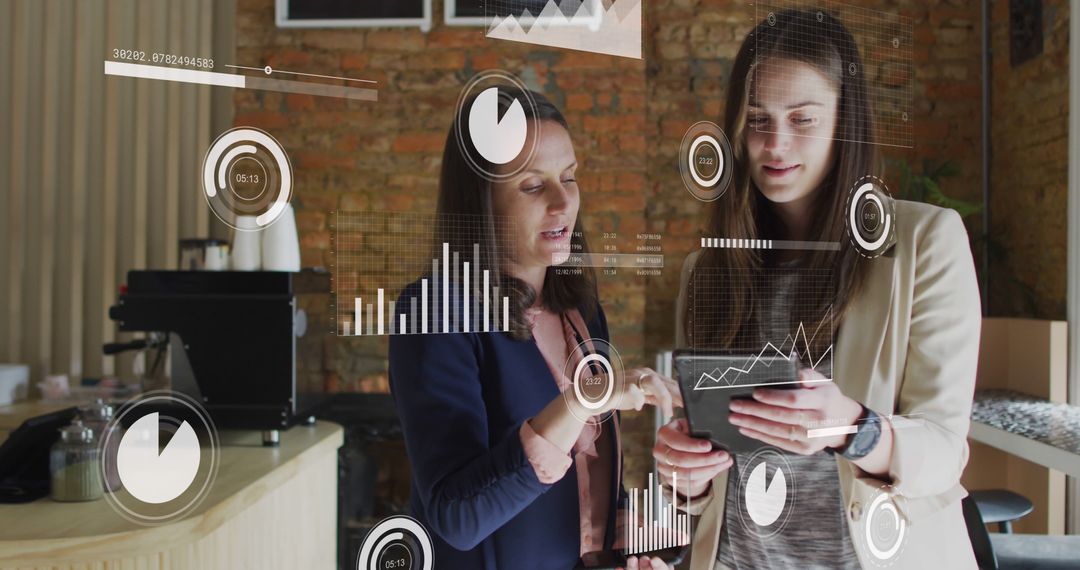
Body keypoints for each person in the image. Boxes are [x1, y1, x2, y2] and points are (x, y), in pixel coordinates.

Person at [655, 9, 981, 570]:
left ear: (845, 122)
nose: (775, 145)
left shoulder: (927, 242)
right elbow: (703, 482)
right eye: (757, 120)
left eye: (802, 119)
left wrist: (854, 428)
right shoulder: (706, 272)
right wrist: (683, 479)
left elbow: (945, 451)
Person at [389, 86, 680, 569]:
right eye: (532, 185)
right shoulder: (436, 310)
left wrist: (642, 548)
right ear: (481, 201)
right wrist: (581, 401)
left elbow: (591, 494)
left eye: (569, 177)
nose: (563, 201)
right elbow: (457, 516)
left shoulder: (580, 310)